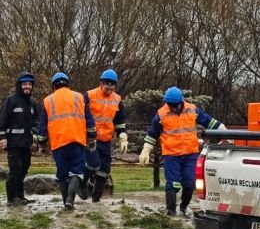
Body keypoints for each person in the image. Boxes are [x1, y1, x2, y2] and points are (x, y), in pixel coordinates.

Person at [140, 87, 227, 216]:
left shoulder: (192, 109)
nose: (173, 108)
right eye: (170, 105)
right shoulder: (161, 114)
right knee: (173, 184)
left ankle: (183, 207)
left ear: (181, 101)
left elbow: (209, 122)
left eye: (175, 105)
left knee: (190, 183)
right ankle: (171, 212)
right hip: (171, 155)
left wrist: (225, 132)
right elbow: (152, 133)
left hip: (190, 153)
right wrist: (146, 150)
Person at [36, 72, 96, 210]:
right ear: (67, 84)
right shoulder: (79, 97)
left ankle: (65, 203)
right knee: (76, 172)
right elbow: (89, 118)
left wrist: (42, 143)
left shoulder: (48, 100)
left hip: (58, 143)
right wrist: (92, 137)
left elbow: (42, 125)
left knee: (62, 174)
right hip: (77, 140)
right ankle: (70, 200)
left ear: (53, 86)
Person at [0, 71, 40, 206]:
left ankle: (20, 196)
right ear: (19, 85)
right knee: (15, 170)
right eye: (25, 84)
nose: (27, 86)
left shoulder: (33, 103)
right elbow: (0, 120)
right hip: (13, 142)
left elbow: (36, 122)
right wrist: (2, 137)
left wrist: (37, 136)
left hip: (26, 144)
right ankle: (11, 198)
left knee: (24, 169)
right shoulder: (11, 100)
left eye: (29, 84)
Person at [83, 69, 129, 202]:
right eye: (107, 83)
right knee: (93, 164)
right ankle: (81, 184)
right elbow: (80, 114)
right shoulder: (89, 95)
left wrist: (122, 136)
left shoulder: (117, 99)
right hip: (90, 139)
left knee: (105, 169)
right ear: (101, 83)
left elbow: (120, 121)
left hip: (106, 139)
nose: (109, 86)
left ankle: (96, 199)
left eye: (112, 84)